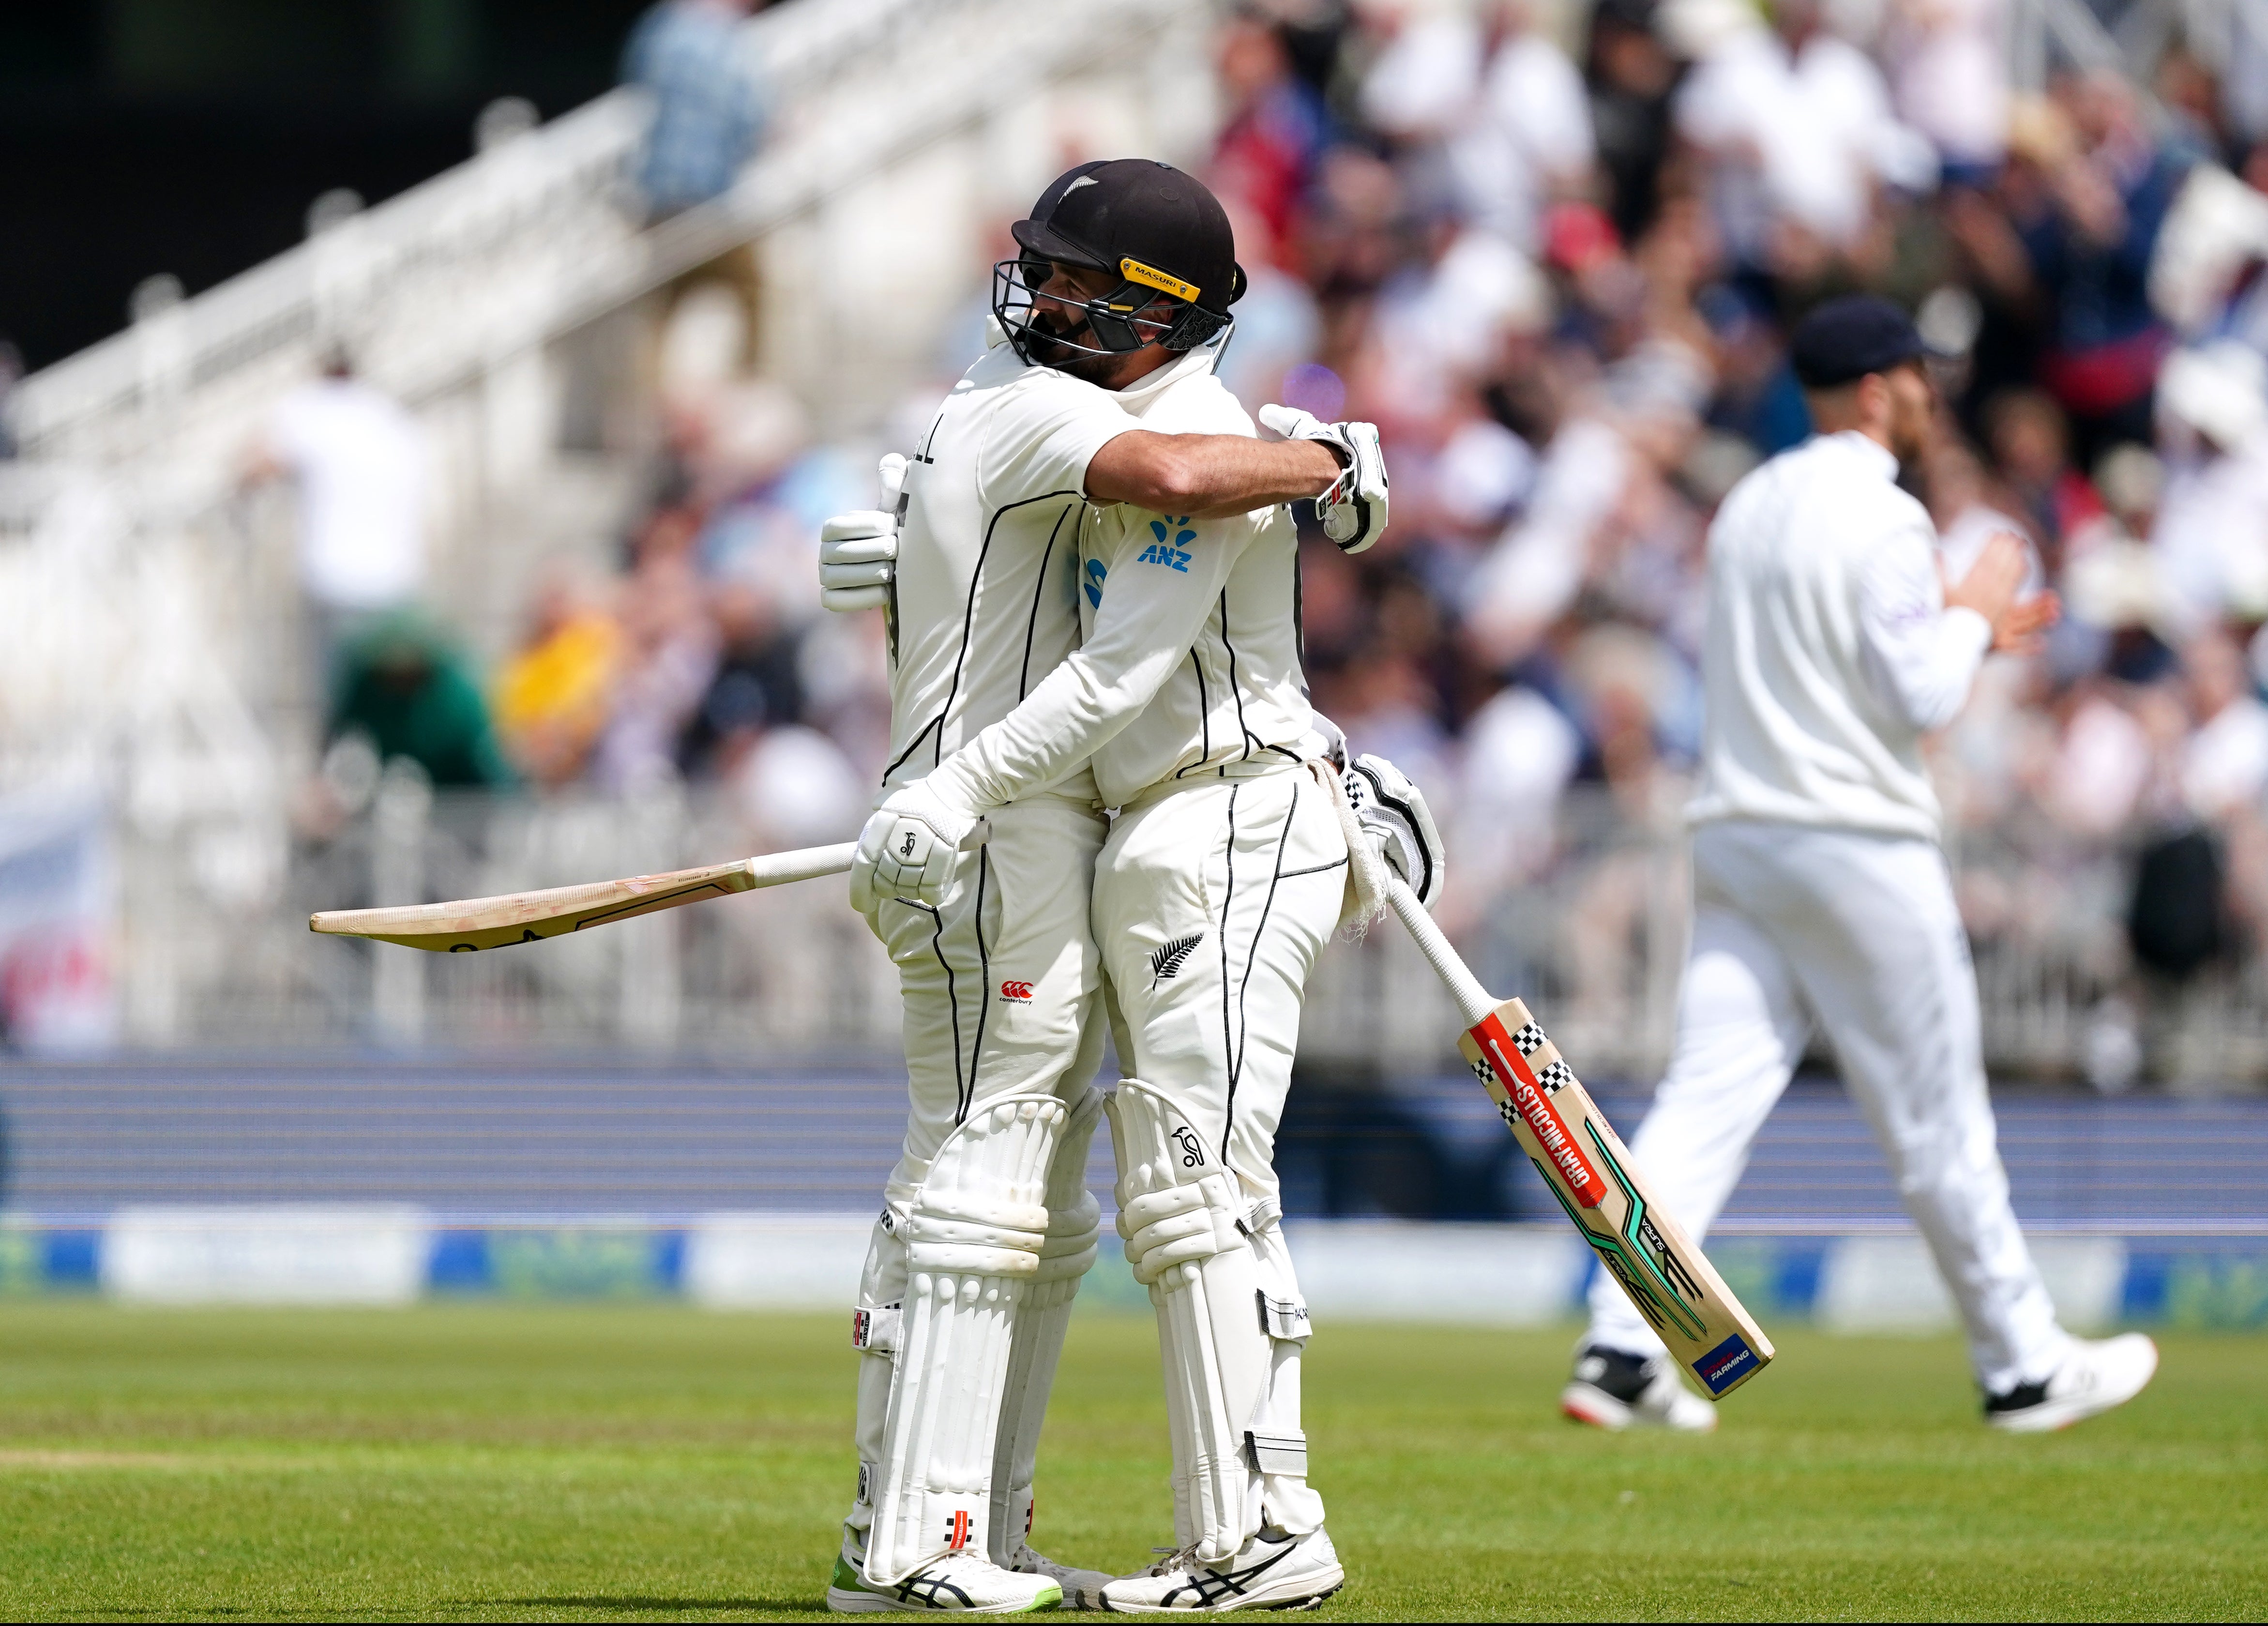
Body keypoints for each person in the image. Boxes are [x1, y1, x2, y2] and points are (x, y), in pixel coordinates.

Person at [844, 160, 1418, 1612]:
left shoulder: (1198, 430)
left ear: (1159, 311)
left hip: (1220, 812)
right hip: (1118, 827)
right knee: (1041, 1181)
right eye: (1036, 268)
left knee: (1183, 1179)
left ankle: (1256, 1531)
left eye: (1074, 279)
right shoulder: (1069, 404)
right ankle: (942, 1536)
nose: (1040, 296)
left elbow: (1126, 664)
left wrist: (1329, 469)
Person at [1560, 294, 2160, 1435]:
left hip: (1737, 836)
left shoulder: (1749, 504)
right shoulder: (1888, 518)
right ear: (1884, 390)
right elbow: (1921, 696)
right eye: (1923, 380)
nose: (1934, 398)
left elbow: (1819, 657)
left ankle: (1621, 1346)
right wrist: (1974, 616)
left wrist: (1946, 615)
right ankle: (2022, 1364)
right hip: (1854, 841)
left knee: (1707, 1097)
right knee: (1939, 1121)